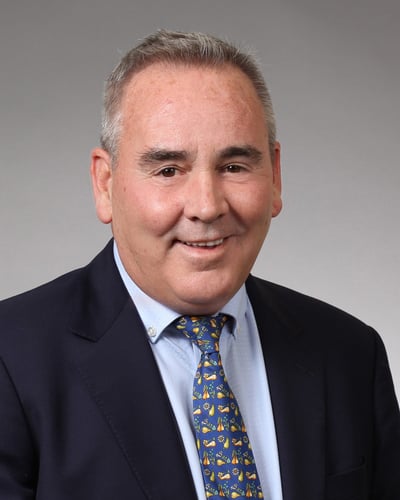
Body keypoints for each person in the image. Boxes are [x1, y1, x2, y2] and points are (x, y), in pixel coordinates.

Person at [0, 30, 399, 500]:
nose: (207, 207)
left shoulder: (350, 354)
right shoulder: (12, 360)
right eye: (168, 170)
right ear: (105, 184)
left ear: (274, 176)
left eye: (234, 167)